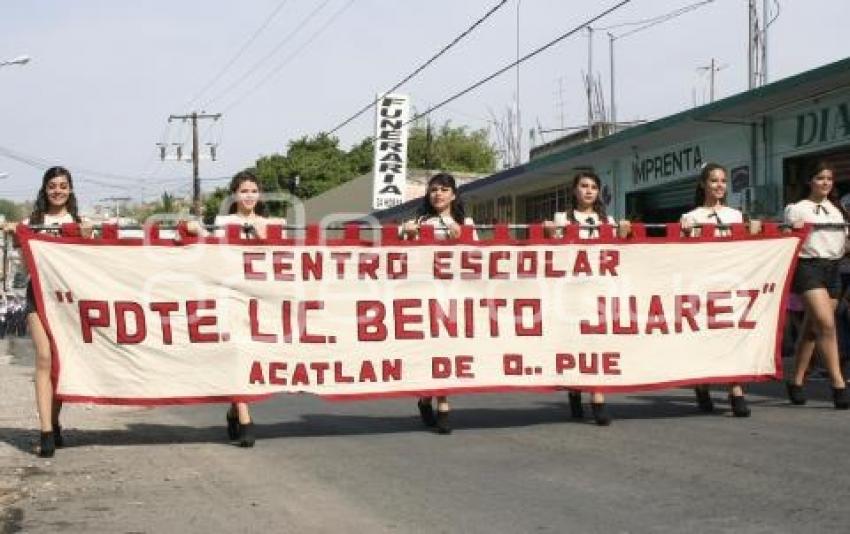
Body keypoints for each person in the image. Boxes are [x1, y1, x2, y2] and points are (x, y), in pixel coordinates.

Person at [187, 170, 284, 446]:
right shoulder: (223, 221)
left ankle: (233, 408)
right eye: (244, 191)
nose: (249, 195)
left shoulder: (270, 223)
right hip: (229, 294)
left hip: (259, 296)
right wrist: (195, 229)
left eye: (253, 190)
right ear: (234, 195)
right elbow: (208, 244)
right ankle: (244, 417)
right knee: (235, 350)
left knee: (251, 352)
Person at [3, 166, 92, 457]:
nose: (58, 190)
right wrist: (15, 231)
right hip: (37, 295)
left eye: (63, 185)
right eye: (52, 185)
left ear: (70, 190)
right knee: (43, 356)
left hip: (67, 299)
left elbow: (89, 260)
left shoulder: (78, 222)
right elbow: (21, 253)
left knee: (59, 363)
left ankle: (53, 421)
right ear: (45, 189)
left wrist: (87, 236)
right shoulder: (32, 222)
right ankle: (45, 431)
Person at [543, 170, 630, 426]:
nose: (589, 191)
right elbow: (554, 249)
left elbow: (620, 251)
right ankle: (575, 391)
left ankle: (598, 398)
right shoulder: (562, 217)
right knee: (575, 345)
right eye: (584, 186)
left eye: (593, 186)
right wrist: (550, 232)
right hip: (570, 292)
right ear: (574, 190)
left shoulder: (607, 220)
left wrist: (624, 232)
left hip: (599, 290)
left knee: (597, 345)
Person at [679, 162, 762, 417]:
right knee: (705, 336)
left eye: (723, 181)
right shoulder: (691, 217)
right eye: (714, 181)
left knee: (732, 335)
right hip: (703, 282)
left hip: (732, 282)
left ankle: (736, 390)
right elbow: (681, 252)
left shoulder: (736, 215)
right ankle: (702, 385)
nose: (719, 186)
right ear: (703, 184)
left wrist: (754, 233)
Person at [401, 173, 476, 434]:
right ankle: (426, 398)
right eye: (433, 190)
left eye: (444, 190)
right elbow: (402, 258)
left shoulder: (464, 222)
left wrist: (461, 235)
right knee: (430, 350)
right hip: (424, 297)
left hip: (453, 295)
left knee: (447, 349)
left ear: (454, 195)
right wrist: (408, 236)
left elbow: (477, 256)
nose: (438, 194)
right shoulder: (418, 221)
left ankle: (442, 402)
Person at [784, 161, 849, 410]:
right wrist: (793, 230)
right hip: (808, 266)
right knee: (826, 324)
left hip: (834, 267)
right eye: (820, 178)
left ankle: (796, 381)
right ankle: (838, 385)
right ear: (809, 181)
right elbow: (787, 239)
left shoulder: (837, 209)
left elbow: (845, 244)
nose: (825, 183)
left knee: (812, 328)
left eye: (829, 179)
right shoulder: (797, 209)